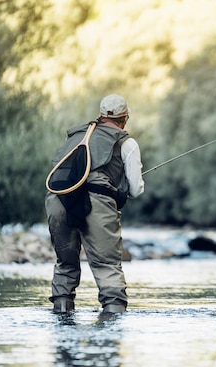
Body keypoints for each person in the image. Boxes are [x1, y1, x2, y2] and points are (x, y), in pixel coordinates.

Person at [45, 94, 144, 314]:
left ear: (100, 115)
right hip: (96, 201)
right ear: (125, 118)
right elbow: (136, 190)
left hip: (57, 199)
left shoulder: (76, 135)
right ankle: (113, 319)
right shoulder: (126, 142)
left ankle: (62, 312)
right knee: (106, 265)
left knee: (65, 262)